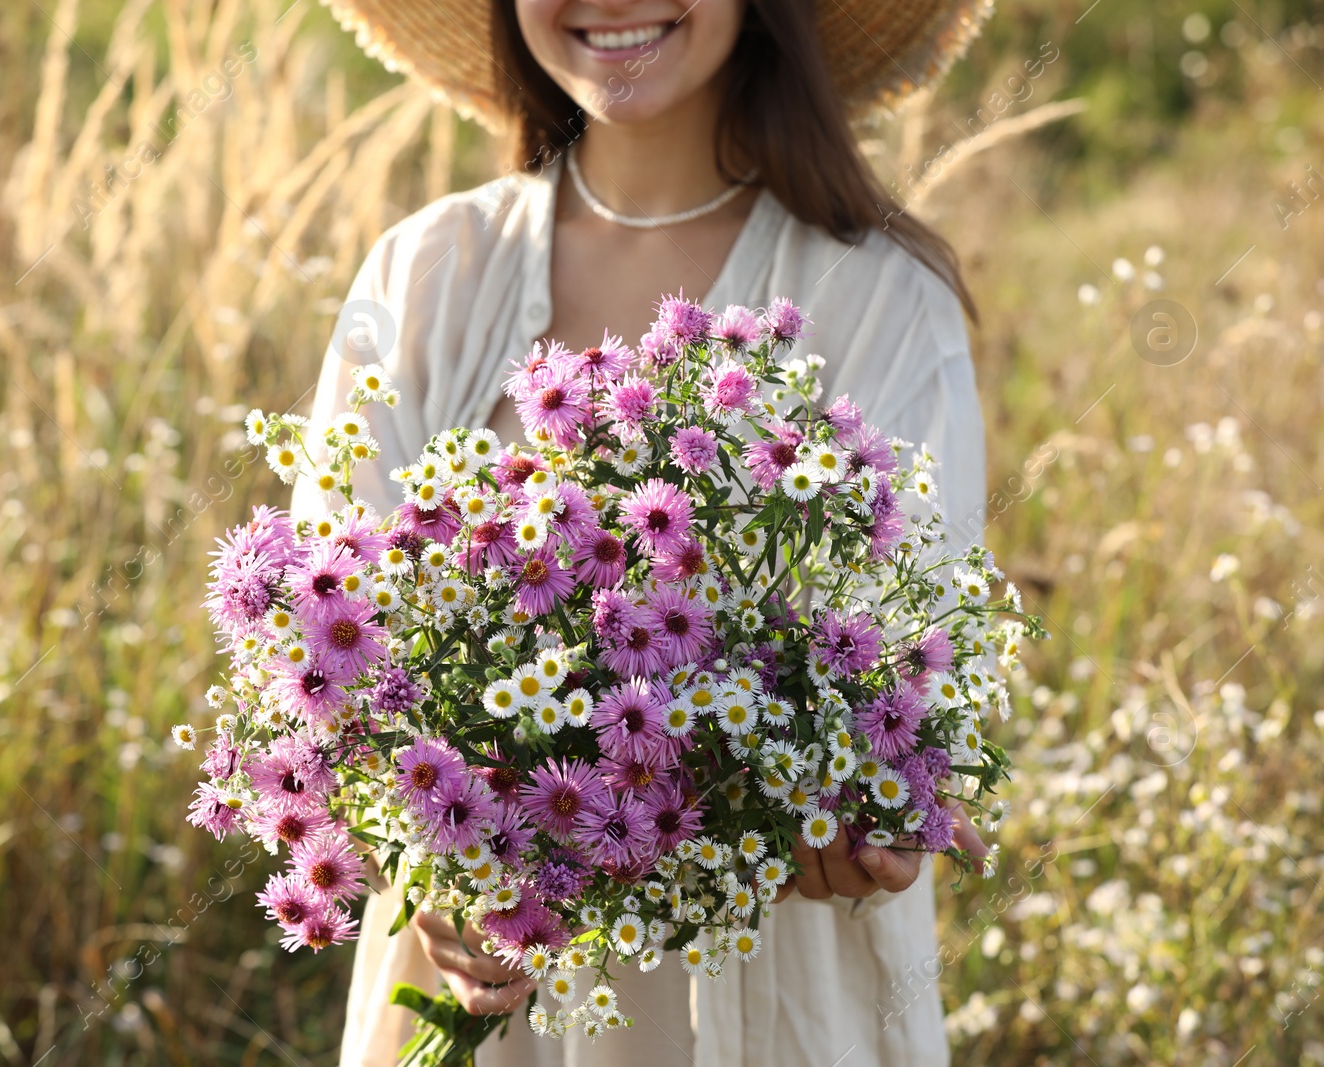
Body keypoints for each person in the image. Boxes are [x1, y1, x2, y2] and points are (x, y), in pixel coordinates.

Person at [297, 1, 996, 1063]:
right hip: (483, 1006)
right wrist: (419, 853)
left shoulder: (878, 296)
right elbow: (329, 651)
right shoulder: (427, 273)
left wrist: (869, 804)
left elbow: (910, 658)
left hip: (776, 1012)